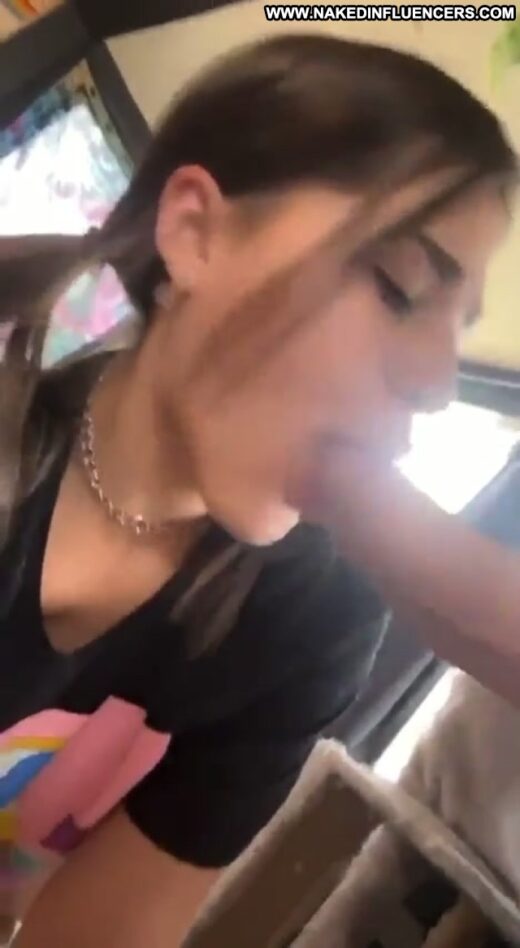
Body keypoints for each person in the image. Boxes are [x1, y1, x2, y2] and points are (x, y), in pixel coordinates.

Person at [0, 33, 517, 948]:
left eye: (455, 331)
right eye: (399, 287)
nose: (438, 384)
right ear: (196, 231)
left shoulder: (312, 621)